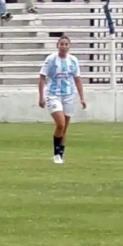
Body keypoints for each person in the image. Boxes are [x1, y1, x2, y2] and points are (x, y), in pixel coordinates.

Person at [37, 36, 86, 164]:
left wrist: (82, 98)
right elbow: (42, 77)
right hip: (53, 95)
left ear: (69, 46)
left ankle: (60, 154)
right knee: (60, 123)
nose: (63, 46)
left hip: (69, 95)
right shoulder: (51, 59)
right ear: (57, 46)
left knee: (65, 127)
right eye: (61, 44)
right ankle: (56, 155)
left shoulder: (73, 60)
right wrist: (41, 96)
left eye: (66, 44)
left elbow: (77, 79)